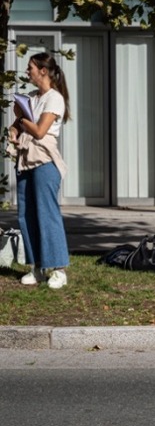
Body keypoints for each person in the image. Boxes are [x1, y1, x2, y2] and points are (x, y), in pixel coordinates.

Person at [9, 52, 71, 289]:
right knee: (26, 215)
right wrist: (14, 132)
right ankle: (36, 267)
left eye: (31, 68)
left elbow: (39, 131)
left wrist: (21, 119)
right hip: (25, 161)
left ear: (43, 71)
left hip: (45, 162)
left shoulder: (54, 98)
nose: (28, 72)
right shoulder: (32, 97)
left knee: (47, 214)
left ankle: (58, 269)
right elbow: (19, 127)